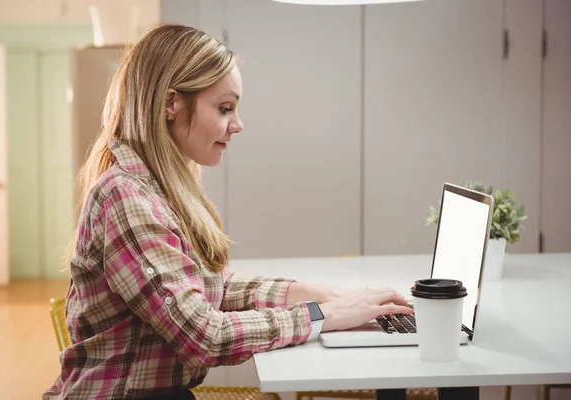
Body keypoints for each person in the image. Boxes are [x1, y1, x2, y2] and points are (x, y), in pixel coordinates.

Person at [43, 24, 413, 400]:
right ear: (171, 103)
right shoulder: (125, 197)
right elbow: (204, 336)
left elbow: (207, 288)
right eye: (224, 108)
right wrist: (324, 315)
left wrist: (315, 294)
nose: (237, 124)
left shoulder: (157, 186)